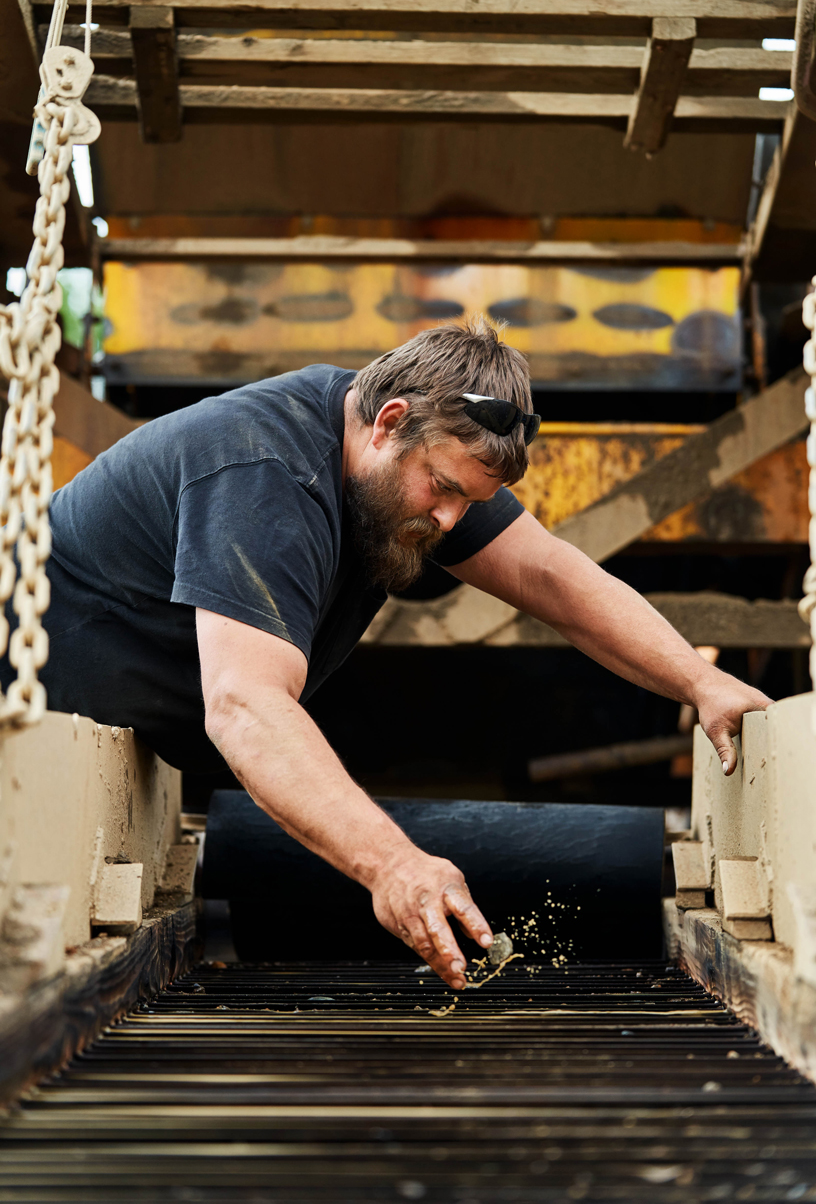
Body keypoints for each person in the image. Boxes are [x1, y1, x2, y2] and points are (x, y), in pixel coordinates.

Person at [6, 319, 771, 988]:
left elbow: (552, 575)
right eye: (441, 489)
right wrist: (391, 864)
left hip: (111, 748)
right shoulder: (264, 471)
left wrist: (700, 682)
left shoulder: (413, 454)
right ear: (388, 421)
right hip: (24, 744)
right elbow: (245, 706)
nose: (449, 521)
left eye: (467, 502)